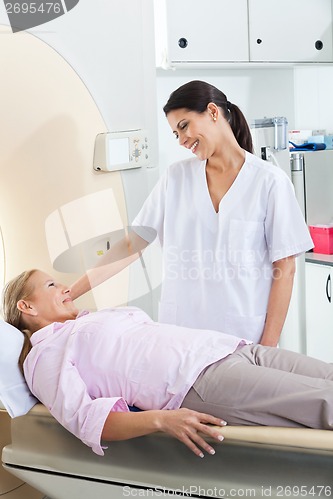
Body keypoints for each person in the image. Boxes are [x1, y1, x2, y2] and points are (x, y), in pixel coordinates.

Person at [70, 80, 313, 346]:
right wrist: (72, 293)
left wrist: (267, 348)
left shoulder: (270, 182)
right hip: (181, 338)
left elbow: (285, 269)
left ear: (212, 112)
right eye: (176, 134)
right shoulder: (175, 178)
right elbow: (131, 244)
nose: (182, 140)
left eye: (184, 126)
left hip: (243, 337)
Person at [3, 269, 333, 459]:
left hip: (230, 349)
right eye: (51, 285)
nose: (65, 287)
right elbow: (85, 419)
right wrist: (162, 420)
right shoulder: (44, 356)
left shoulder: (87, 320)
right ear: (26, 306)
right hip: (199, 382)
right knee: (326, 404)